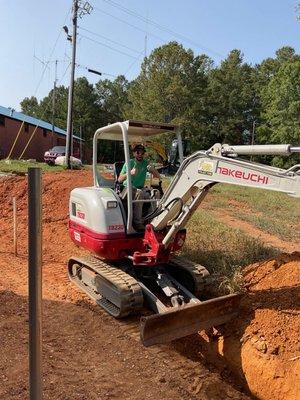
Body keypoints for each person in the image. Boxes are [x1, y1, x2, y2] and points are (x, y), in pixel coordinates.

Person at [118, 144, 161, 231]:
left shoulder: (146, 163)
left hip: (140, 188)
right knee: (139, 193)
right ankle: (137, 222)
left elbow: (158, 176)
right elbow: (119, 180)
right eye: (138, 152)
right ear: (134, 153)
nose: (140, 154)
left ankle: (151, 219)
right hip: (127, 189)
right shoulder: (129, 163)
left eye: (142, 153)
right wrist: (129, 173)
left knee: (155, 193)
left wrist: (153, 170)